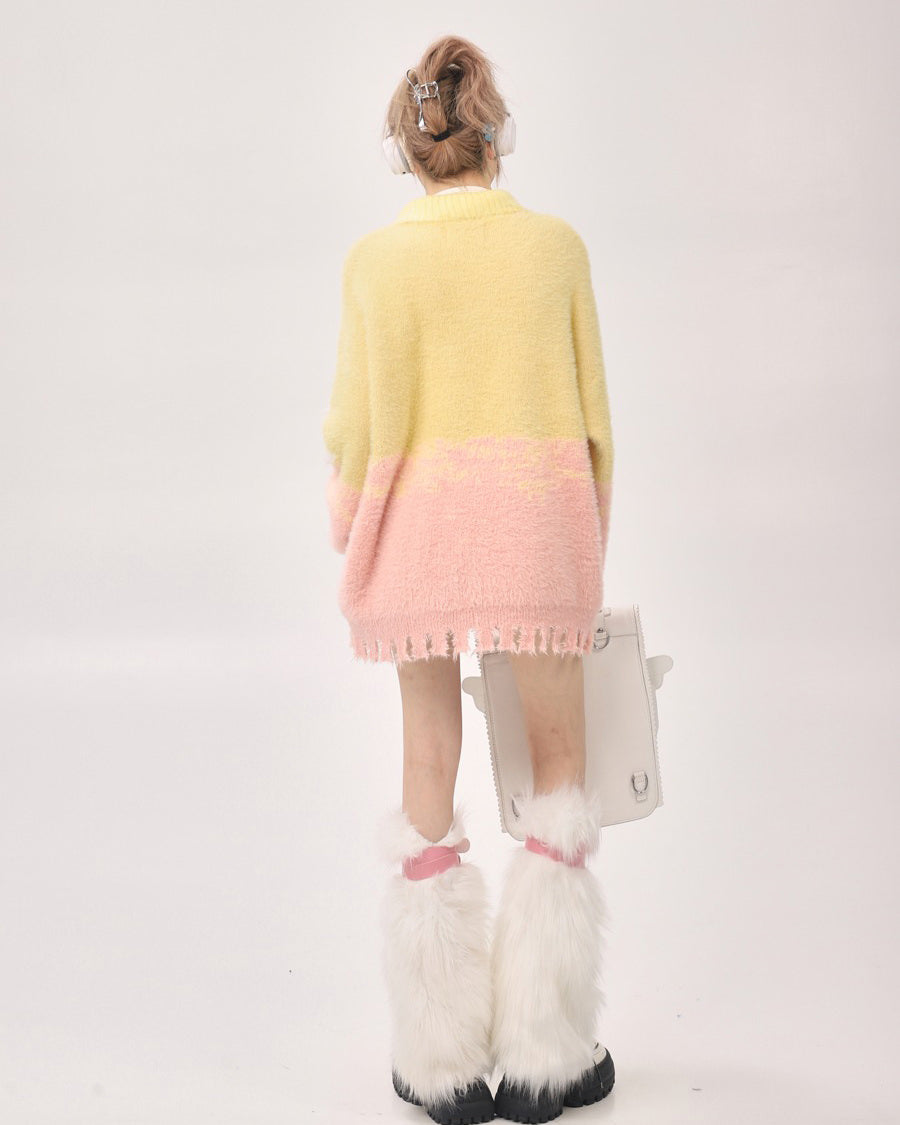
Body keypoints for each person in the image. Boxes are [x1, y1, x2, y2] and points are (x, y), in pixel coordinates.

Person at [321, 34, 616, 1125]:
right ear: (496, 138)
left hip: (415, 545)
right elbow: (594, 425)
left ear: (411, 148)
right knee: (559, 761)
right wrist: (583, 547)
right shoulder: (556, 250)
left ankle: (440, 1063)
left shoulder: (373, 265)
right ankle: (548, 1055)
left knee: (427, 759)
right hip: (537, 535)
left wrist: (350, 524)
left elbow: (352, 432)